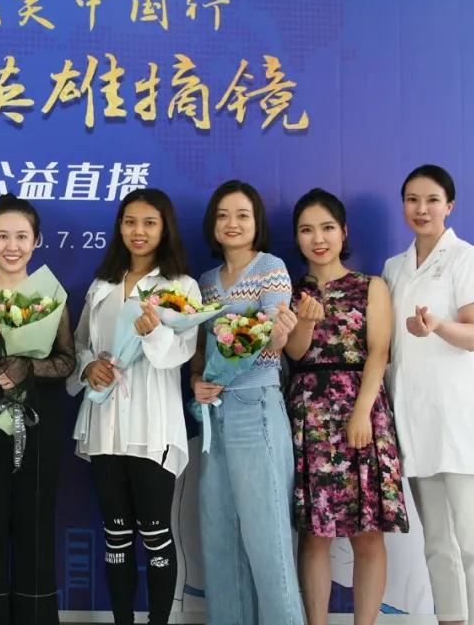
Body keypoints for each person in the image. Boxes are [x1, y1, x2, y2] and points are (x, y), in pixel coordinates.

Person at [67, 189, 198, 625]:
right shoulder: (102, 285)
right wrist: (89, 368)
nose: (138, 231)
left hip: (152, 425)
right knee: (116, 534)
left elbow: (180, 353)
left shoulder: (180, 286)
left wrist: (153, 332)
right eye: (130, 222)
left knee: (156, 533)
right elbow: (81, 343)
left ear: (165, 229)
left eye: (149, 223)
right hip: (105, 422)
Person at [284, 188, 408, 625]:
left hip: (362, 409)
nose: (318, 239)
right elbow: (295, 353)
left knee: (368, 534)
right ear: (296, 237)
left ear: (344, 232)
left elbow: (379, 351)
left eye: (327, 228)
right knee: (313, 536)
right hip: (308, 414)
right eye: (307, 230)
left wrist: (361, 413)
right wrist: (304, 320)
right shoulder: (288, 290)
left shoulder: (371, 286)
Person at [383, 164, 474, 625]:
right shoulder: (394, 268)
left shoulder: (468, 258)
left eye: (432, 199)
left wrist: (436, 326)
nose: (421, 209)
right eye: (412, 199)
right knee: (436, 543)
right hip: (416, 420)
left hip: (463, 421)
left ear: (449, 205)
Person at [0, 193, 76, 625]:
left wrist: (28, 367)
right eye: (3, 236)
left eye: (22, 236)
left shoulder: (51, 296)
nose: (12, 246)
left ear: (36, 241)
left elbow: (67, 361)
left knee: (36, 523)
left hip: (40, 418)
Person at [190, 180, 303, 625]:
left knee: (268, 539)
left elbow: (274, 340)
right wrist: (197, 381)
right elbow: (201, 351)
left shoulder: (271, 268)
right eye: (223, 215)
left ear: (257, 223)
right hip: (213, 416)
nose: (231, 223)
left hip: (256, 407)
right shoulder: (204, 282)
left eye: (242, 215)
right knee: (220, 538)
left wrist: (280, 334)